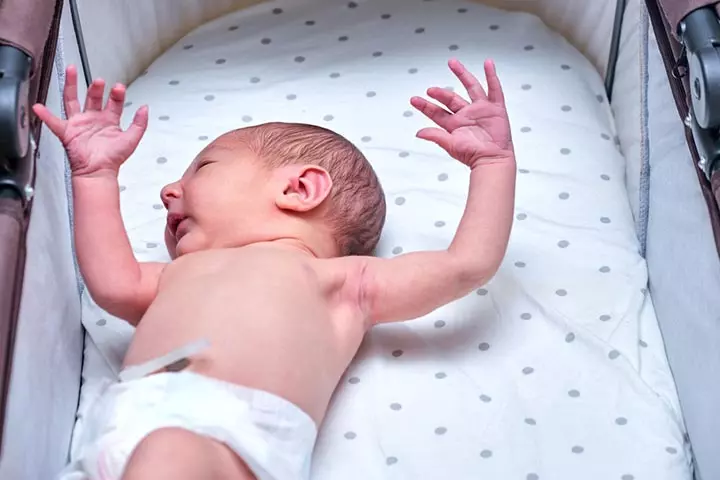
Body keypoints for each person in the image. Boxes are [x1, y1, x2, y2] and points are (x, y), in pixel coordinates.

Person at [35, 58, 516, 480]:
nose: (167, 191)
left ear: (299, 189)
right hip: (119, 427)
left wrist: (492, 163)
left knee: (169, 455)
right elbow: (112, 284)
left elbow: (465, 265)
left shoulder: (346, 282)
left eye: (202, 169)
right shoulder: (173, 276)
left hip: (232, 433)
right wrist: (96, 177)